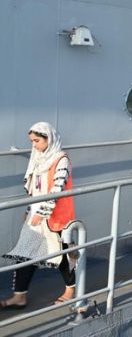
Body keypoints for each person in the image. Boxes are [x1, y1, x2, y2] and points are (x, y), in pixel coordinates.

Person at [1, 122, 76, 309]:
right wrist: (29, 211)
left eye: (37, 141)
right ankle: (19, 296)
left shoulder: (61, 159)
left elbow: (57, 190)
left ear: (48, 139)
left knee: (61, 254)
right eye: (32, 141)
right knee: (25, 254)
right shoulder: (38, 159)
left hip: (55, 217)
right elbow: (35, 189)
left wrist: (42, 214)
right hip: (36, 215)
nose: (34, 145)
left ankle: (70, 290)